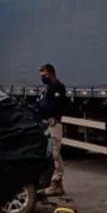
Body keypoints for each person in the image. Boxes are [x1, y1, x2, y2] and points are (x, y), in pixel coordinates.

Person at [37, 63, 67, 197]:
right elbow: (41, 105)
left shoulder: (58, 88)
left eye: (44, 75)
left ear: (51, 73)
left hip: (54, 124)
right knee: (48, 153)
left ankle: (57, 183)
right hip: (46, 124)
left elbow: (54, 107)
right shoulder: (47, 89)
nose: (43, 77)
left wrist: (43, 107)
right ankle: (50, 183)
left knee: (55, 153)